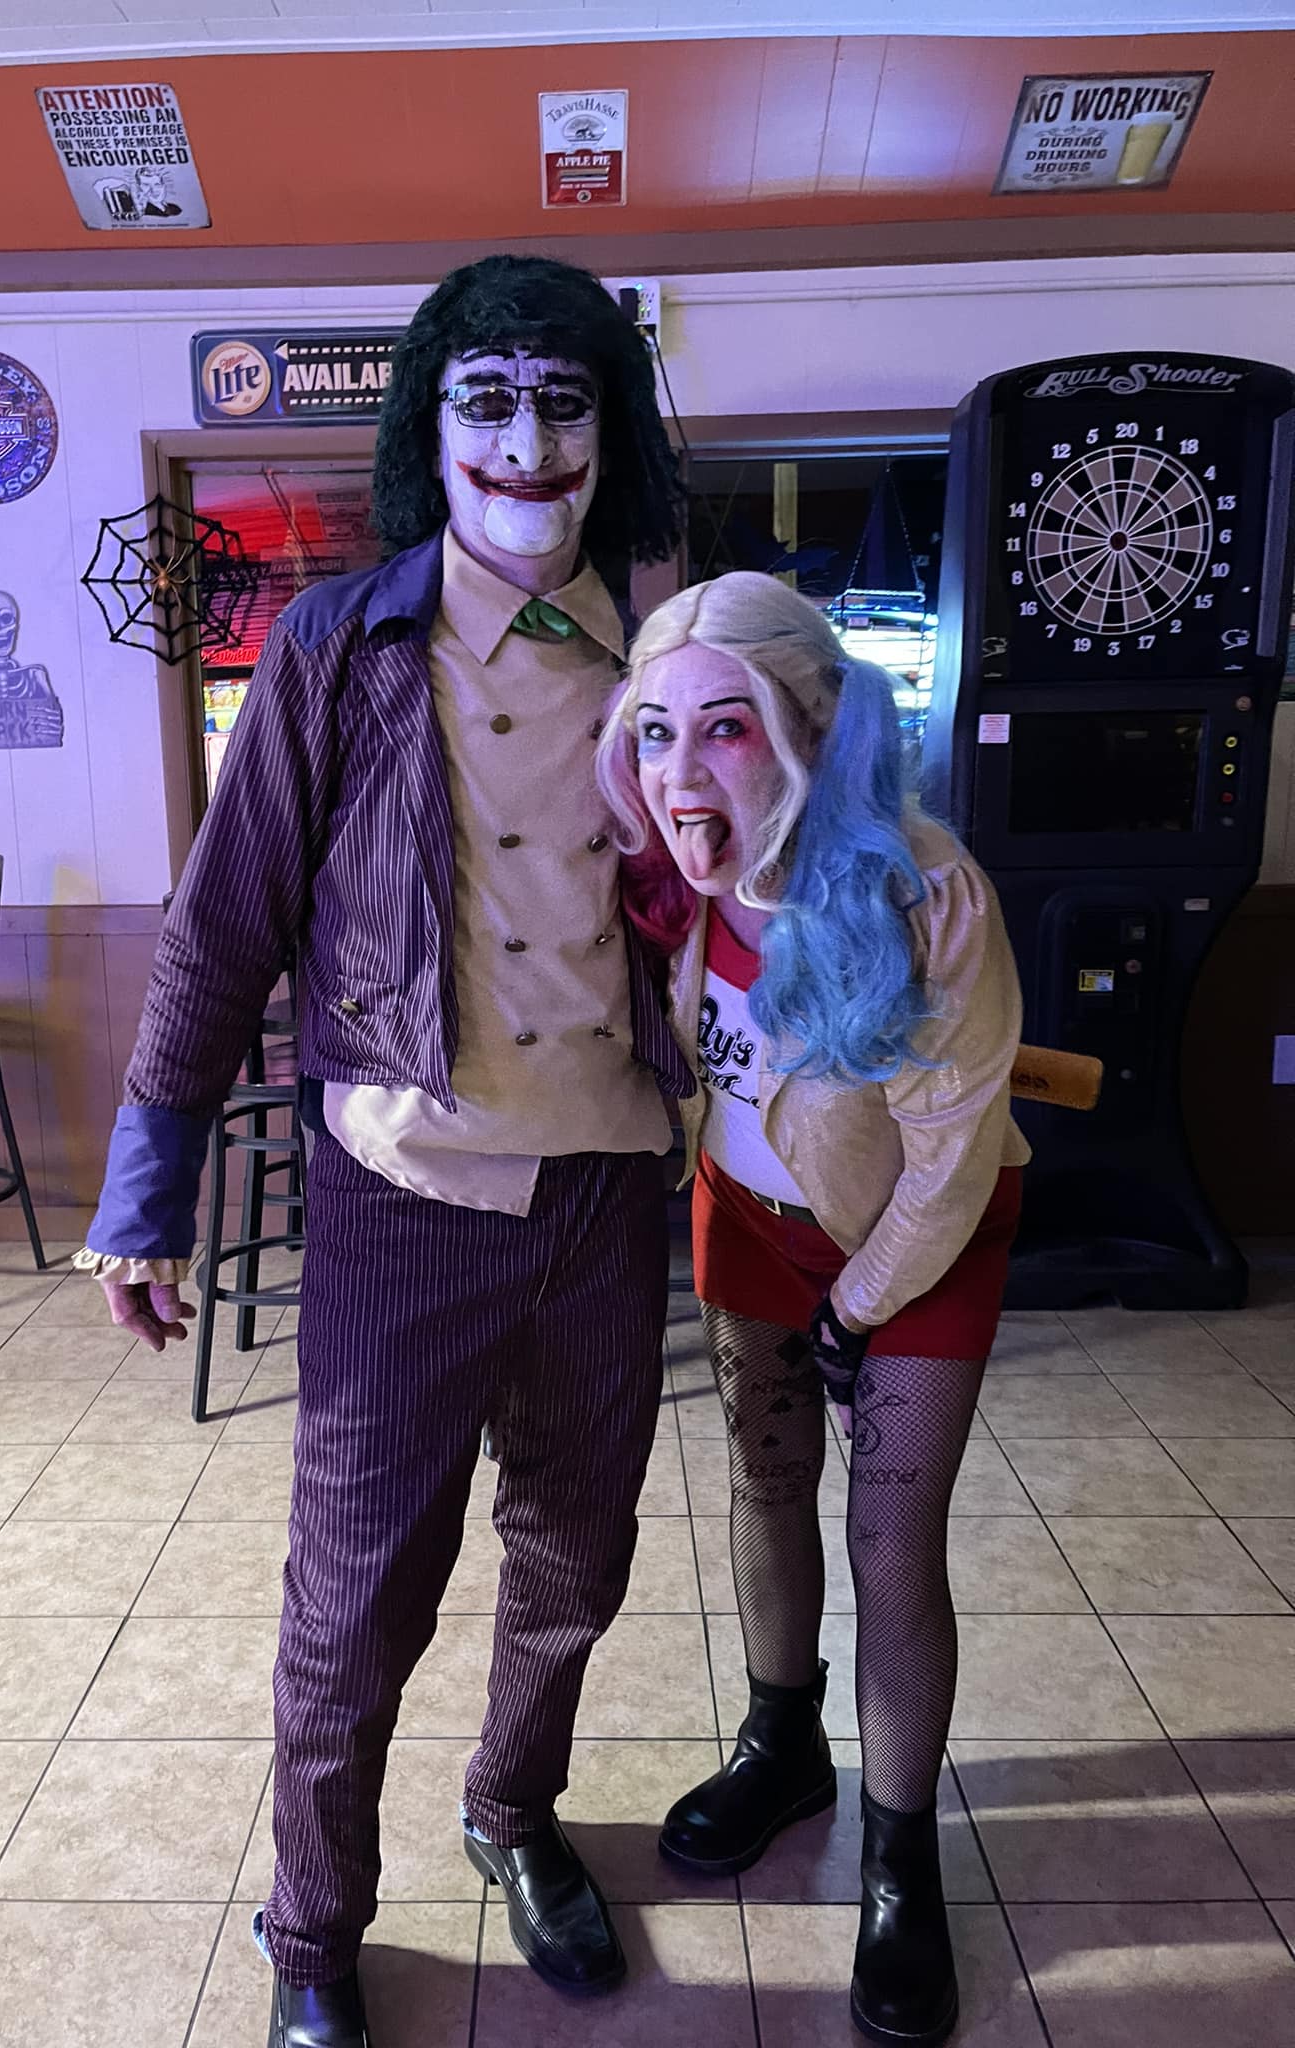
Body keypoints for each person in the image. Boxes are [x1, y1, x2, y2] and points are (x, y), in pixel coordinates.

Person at [75, 254, 690, 2048]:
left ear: (612, 431)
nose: (528, 440)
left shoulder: (672, 656)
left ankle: (512, 1811)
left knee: (576, 1558)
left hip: (608, 1196)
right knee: (352, 1605)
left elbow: (766, 889)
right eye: (488, 400)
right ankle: (314, 1932)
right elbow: (223, 927)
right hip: (399, 1201)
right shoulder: (337, 649)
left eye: (565, 400)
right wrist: (145, 1194)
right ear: (434, 426)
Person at [595, 572, 1028, 2048]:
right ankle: (783, 1746)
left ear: (817, 726)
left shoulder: (926, 890)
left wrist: (858, 1306)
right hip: (748, 1225)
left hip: (920, 1238)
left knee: (892, 1542)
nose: (681, 771)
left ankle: (902, 1860)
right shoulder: (679, 881)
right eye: (657, 731)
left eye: (726, 728)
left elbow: (953, 1157)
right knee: (766, 1485)